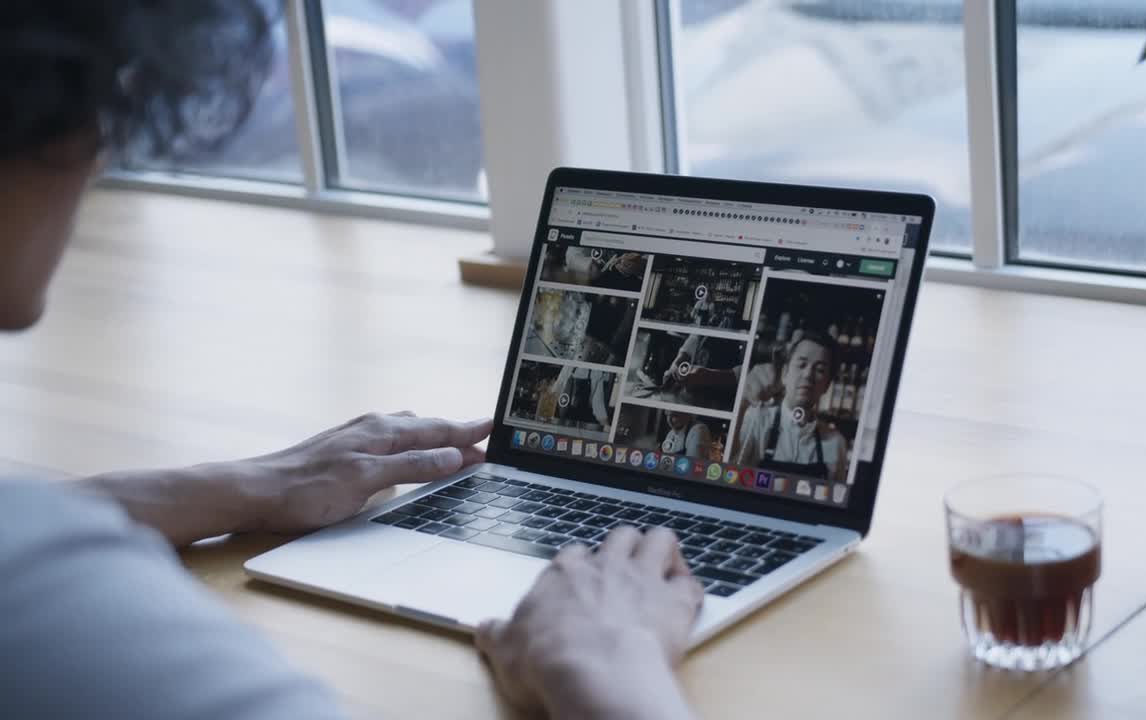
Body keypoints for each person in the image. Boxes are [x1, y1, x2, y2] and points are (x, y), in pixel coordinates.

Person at [0, 2, 703, 719]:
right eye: (101, 101)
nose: (102, 152)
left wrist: (242, 487)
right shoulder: (54, 615)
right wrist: (607, 672)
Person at [734, 330, 849, 482]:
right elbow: (728, 473)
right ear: (785, 374)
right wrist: (742, 402)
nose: (808, 374)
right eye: (802, 364)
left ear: (827, 385)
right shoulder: (755, 418)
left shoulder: (836, 443)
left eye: (820, 369)